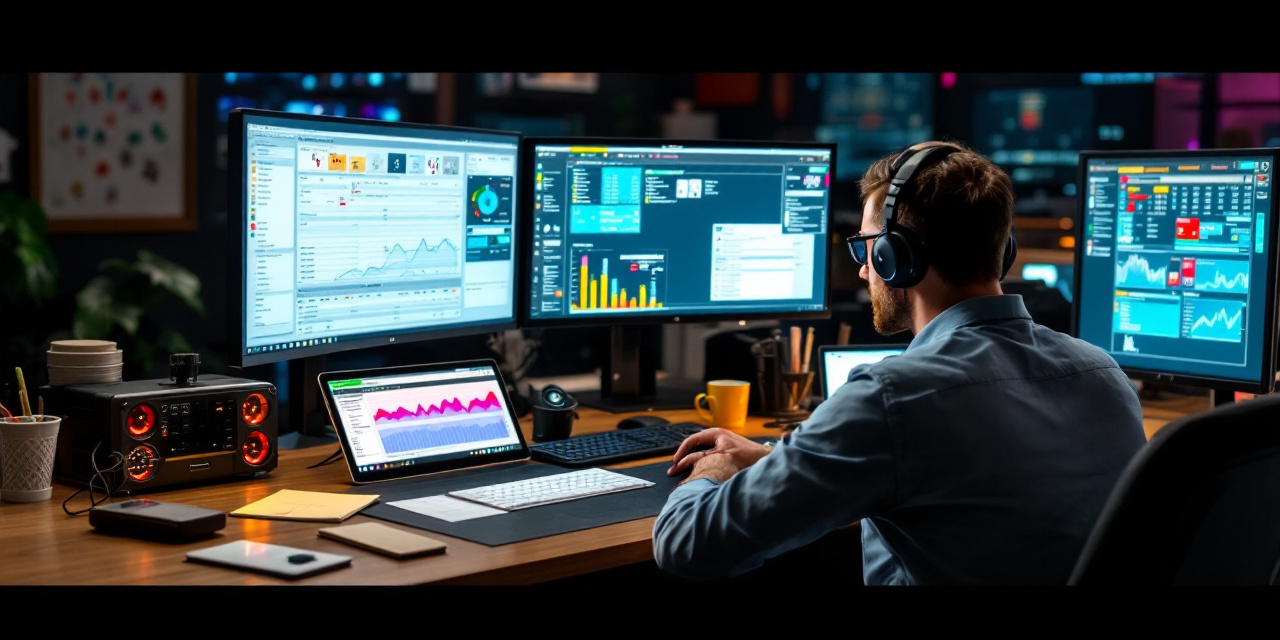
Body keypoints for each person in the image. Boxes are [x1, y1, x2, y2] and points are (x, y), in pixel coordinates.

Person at [651, 140, 1147, 585]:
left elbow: (687, 545)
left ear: (897, 257)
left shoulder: (893, 397)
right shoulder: (1103, 374)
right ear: (1004, 251)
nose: (865, 268)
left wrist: (713, 470)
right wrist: (772, 464)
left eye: (868, 248)